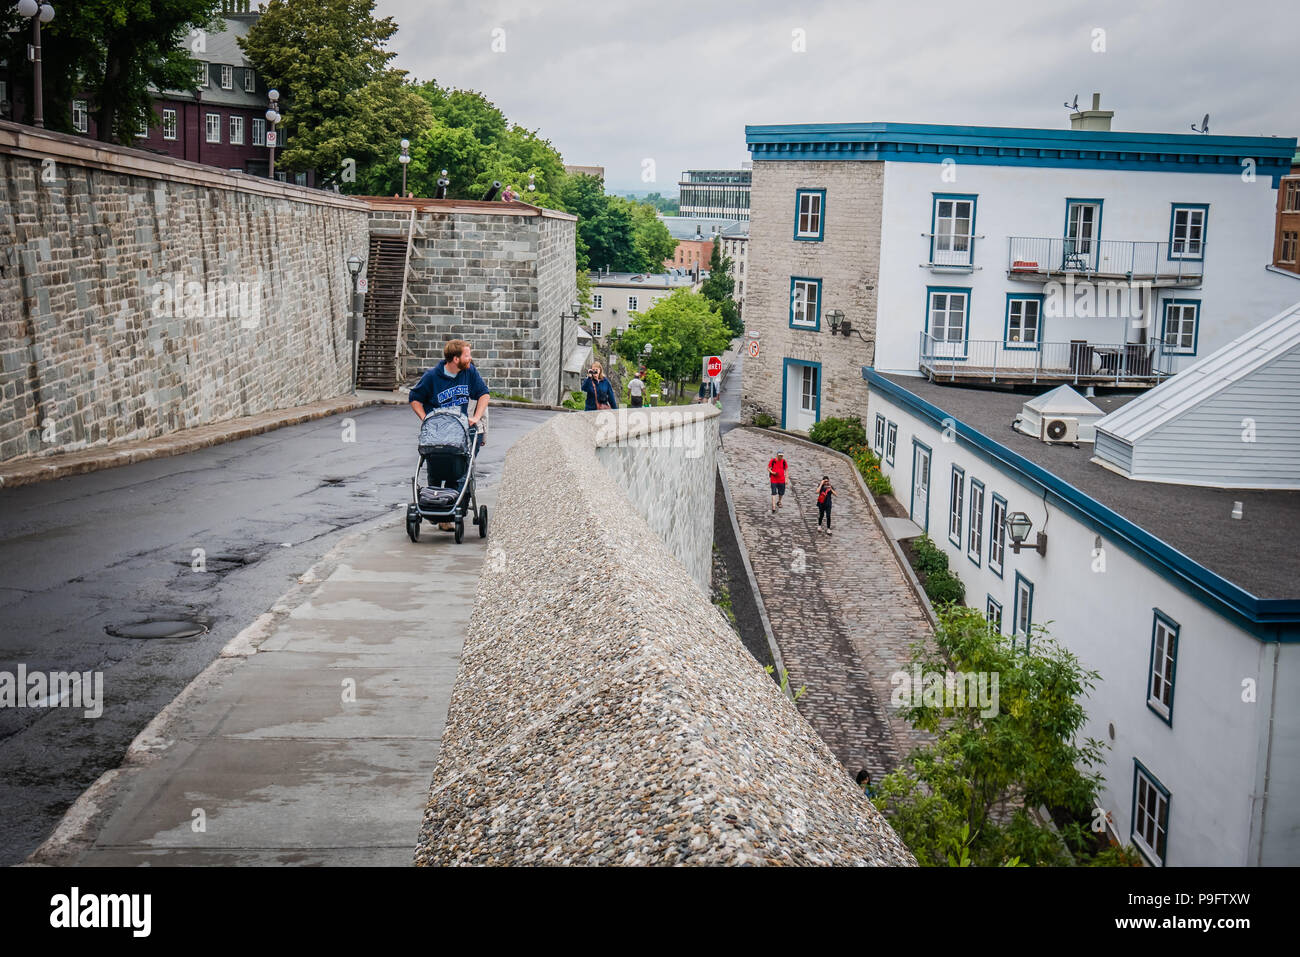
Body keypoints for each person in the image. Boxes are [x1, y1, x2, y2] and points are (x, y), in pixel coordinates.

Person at [409, 339, 490, 529]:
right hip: (437, 433)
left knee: (461, 471)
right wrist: (426, 419)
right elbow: (415, 398)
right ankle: (435, 507)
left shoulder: (469, 372)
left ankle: (453, 510)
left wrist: (476, 417)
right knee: (436, 470)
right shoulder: (432, 377)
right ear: (455, 359)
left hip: (461, 431)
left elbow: (484, 394)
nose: (470, 358)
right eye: (467, 355)